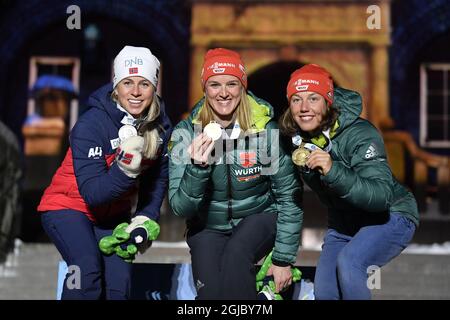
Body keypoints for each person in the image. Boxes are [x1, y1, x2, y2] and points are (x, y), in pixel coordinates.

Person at [38, 46, 172, 299]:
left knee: (119, 285)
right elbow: (93, 195)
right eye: (127, 82)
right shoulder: (91, 124)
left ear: (154, 88)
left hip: (113, 215)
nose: (135, 92)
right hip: (68, 206)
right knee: (86, 271)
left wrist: (144, 219)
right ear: (116, 87)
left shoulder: (162, 128)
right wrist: (125, 168)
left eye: (144, 84)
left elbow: (157, 181)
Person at [168, 48, 303, 300]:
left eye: (232, 83)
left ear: (242, 87)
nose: (223, 93)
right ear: (205, 89)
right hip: (208, 226)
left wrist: (283, 258)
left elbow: (289, 198)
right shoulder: (186, 133)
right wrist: (198, 168)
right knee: (211, 297)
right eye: (214, 84)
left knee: (236, 253)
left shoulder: (265, 131)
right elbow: (180, 207)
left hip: (259, 216)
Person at [278, 64, 419, 300]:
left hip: (391, 215)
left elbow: (381, 196)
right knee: (325, 290)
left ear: (328, 102)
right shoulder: (293, 140)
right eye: (296, 100)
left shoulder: (360, 133)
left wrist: (334, 170)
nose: (304, 108)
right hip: (344, 223)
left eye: (314, 98)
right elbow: (284, 194)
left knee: (350, 262)